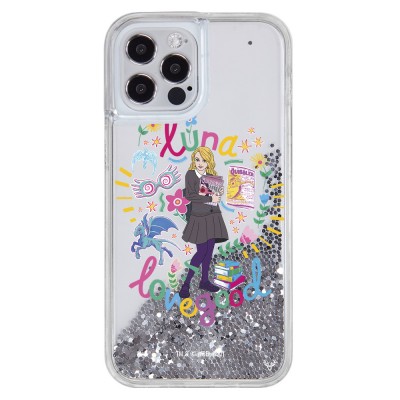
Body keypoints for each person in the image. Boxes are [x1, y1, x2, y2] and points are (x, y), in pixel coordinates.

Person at [180, 146, 229, 298]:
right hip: (199, 217)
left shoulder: (211, 176)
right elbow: (190, 195)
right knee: (201, 251)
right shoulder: (190, 175)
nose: (200, 163)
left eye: (204, 160)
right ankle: (186, 284)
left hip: (213, 216)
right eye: (197, 159)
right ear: (194, 160)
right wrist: (210, 198)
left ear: (209, 162)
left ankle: (204, 281)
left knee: (209, 251)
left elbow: (214, 196)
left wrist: (218, 195)